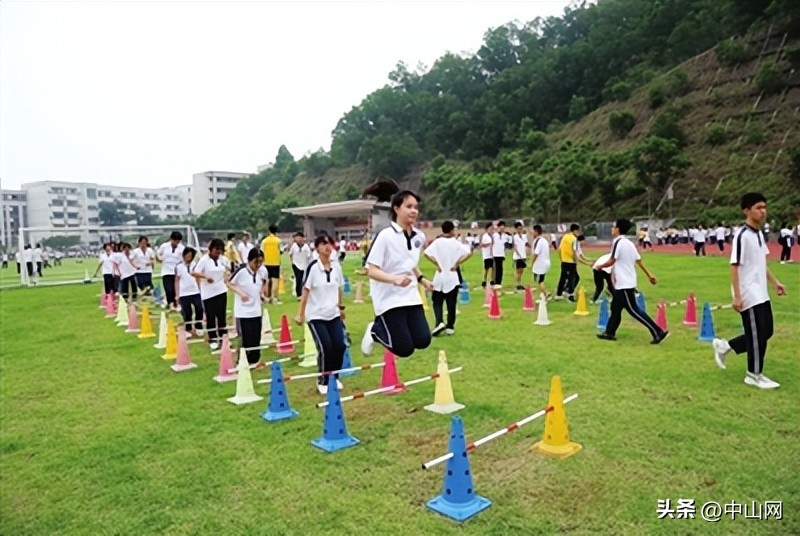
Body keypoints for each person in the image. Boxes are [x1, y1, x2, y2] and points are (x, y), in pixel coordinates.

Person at [712, 193, 786, 389]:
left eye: (764, 207)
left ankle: (726, 346)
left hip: (761, 291)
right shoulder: (742, 236)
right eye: (758, 207)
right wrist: (737, 295)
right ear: (747, 210)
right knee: (755, 334)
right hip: (748, 292)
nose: (762, 211)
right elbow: (734, 266)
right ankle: (753, 375)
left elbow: (762, 263)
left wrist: (775, 282)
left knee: (766, 331)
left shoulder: (759, 235)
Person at [360, 190, 434, 358]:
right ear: (396, 209)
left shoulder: (419, 236)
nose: (414, 211)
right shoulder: (385, 236)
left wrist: (423, 280)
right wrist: (394, 279)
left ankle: (384, 330)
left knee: (423, 340)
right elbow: (371, 270)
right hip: (388, 299)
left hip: (410, 296)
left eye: (416, 207)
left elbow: (410, 263)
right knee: (404, 349)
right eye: (409, 206)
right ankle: (374, 330)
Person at [595, 218, 668, 344]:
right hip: (625, 283)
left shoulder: (618, 242)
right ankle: (609, 333)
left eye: (613, 227)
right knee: (615, 308)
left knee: (634, 310)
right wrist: (649, 275)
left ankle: (658, 331)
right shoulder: (629, 243)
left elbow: (612, 260)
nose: (612, 229)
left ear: (618, 229)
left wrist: (599, 266)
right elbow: (638, 260)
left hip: (624, 283)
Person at [295, 235, 347, 395]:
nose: (327, 247)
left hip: (333, 314)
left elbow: (339, 287)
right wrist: (300, 314)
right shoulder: (313, 267)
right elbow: (305, 291)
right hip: (316, 315)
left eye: (329, 243)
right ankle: (323, 380)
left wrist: (342, 307)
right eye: (323, 244)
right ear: (317, 248)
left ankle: (335, 376)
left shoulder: (336, 267)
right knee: (326, 347)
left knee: (340, 345)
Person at [424, 220, 471, 336]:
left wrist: (437, 264)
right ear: (451, 230)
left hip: (439, 276)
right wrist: (457, 263)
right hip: (452, 276)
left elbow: (426, 253)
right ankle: (450, 326)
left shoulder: (437, 242)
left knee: (437, 301)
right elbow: (468, 253)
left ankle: (439, 322)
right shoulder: (455, 243)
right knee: (451, 303)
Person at [228, 248, 268, 364]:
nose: (258, 265)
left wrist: (262, 294)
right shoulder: (241, 271)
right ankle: (242, 360)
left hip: (256, 309)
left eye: (261, 262)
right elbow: (230, 283)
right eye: (256, 262)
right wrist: (241, 293)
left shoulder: (262, 271)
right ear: (250, 260)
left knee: (256, 336)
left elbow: (263, 282)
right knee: (245, 337)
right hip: (243, 311)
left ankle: (254, 360)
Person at [192, 238, 230, 350]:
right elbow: (194, 272)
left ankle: (224, 337)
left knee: (221, 315)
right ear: (210, 249)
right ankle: (212, 338)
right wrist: (205, 277)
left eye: (220, 251)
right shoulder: (204, 260)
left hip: (221, 290)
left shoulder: (223, 259)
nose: (217, 253)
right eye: (216, 251)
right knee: (211, 316)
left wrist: (228, 273)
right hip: (208, 293)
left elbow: (229, 269)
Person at [555, 224, 591, 301]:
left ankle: (558, 294)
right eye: (578, 231)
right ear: (575, 230)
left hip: (564, 261)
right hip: (571, 262)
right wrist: (575, 261)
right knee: (572, 278)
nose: (579, 233)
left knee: (563, 278)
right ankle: (570, 295)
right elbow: (574, 251)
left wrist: (561, 259)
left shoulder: (565, 237)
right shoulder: (574, 239)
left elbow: (559, 249)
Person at [174, 247, 204, 338]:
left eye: (191, 256)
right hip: (184, 293)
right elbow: (177, 281)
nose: (189, 258)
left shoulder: (195, 265)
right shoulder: (179, 266)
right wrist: (177, 295)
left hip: (195, 291)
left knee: (199, 308)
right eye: (187, 256)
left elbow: (198, 278)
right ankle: (188, 328)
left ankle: (198, 326)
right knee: (187, 312)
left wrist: (200, 290)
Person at [157, 232, 185, 310]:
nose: (176, 243)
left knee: (175, 289)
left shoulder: (182, 248)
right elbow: (158, 254)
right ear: (171, 239)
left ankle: (175, 303)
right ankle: (170, 303)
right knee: (168, 289)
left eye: (178, 241)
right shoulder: (164, 246)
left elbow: (184, 259)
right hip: (166, 271)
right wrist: (160, 259)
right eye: (175, 241)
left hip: (176, 271)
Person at [260, 225, 282, 304]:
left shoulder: (264, 241)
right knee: (275, 280)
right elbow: (281, 250)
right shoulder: (278, 240)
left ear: (269, 231)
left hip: (266, 263)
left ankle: (267, 297)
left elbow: (261, 251)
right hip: (275, 262)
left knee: (267, 280)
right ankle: (273, 297)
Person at [288, 232, 313, 299]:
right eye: (296, 237)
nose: (298, 239)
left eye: (299, 237)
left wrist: (308, 265)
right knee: (298, 279)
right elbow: (290, 254)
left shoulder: (306, 246)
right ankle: (299, 295)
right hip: (296, 264)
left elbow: (309, 256)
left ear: (302, 238)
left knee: (303, 279)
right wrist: (292, 262)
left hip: (304, 265)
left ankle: (304, 293)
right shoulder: (294, 246)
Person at [530, 224, 551, 299]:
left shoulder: (538, 241)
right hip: (546, 262)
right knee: (540, 279)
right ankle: (542, 294)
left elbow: (536, 253)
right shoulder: (544, 240)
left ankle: (546, 293)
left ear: (536, 232)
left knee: (539, 281)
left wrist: (531, 263)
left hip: (540, 263)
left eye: (532, 230)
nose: (531, 232)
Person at [512, 221, 529, 291]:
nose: (520, 230)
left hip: (523, 255)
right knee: (518, 270)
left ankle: (519, 283)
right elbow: (514, 246)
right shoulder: (515, 237)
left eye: (521, 228)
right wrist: (518, 253)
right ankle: (517, 284)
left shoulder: (524, 236)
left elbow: (526, 244)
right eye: (519, 228)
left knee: (521, 270)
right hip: (518, 257)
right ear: (516, 229)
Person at [491, 221, 507, 288]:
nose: (502, 229)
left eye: (503, 228)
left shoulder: (505, 236)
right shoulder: (494, 235)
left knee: (500, 269)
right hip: (495, 254)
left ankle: (499, 282)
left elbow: (506, 245)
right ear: (498, 227)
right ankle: (495, 282)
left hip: (501, 254)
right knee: (495, 269)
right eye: (501, 228)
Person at [479, 222, 494, 287]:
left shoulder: (491, 236)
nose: (491, 230)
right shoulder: (485, 236)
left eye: (492, 229)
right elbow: (481, 245)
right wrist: (489, 244)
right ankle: (484, 280)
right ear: (487, 229)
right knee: (486, 268)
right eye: (490, 229)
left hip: (491, 255)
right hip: (486, 255)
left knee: (492, 268)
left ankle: (491, 280)